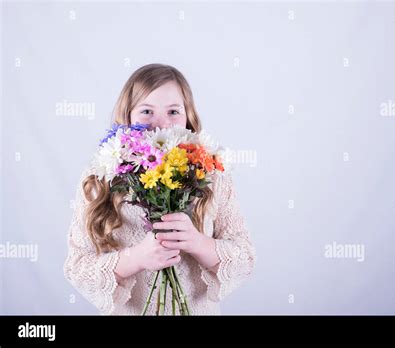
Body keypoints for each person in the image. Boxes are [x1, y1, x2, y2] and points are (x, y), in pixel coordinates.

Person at [63, 63, 256, 315]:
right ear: (128, 116)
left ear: (188, 118)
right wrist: (137, 258)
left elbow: (245, 258)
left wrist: (196, 242)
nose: (161, 125)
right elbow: (77, 267)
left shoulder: (212, 175)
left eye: (173, 111)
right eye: (146, 111)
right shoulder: (101, 177)